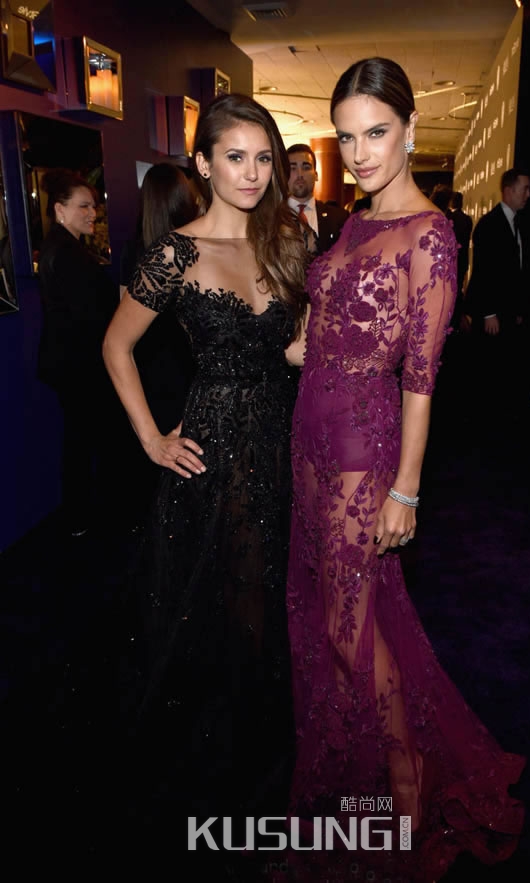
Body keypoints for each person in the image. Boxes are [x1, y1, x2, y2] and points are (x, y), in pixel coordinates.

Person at [286, 57, 525, 882]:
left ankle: (407, 775)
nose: (359, 153)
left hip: (364, 447)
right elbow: (327, 318)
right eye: (347, 137)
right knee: (332, 614)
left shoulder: (430, 234)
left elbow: (421, 375)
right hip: (308, 434)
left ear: (411, 128)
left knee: (349, 626)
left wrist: (406, 488)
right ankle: (371, 757)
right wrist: (302, 341)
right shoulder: (353, 224)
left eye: (376, 133)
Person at [102, 94, 310, 819]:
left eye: (263, 159)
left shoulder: (285, 242)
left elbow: (291, 348)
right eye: (235, 157)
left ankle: (268, 736)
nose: (252, 173)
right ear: (203, 163)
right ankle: (237, 757)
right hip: (214, 448)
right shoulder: (176, 252)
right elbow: (116, 345)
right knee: (234, 595)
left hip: (283, 439)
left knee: (279, 588)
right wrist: (151, 439)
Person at [37, 168, 120, 537]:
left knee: (81, 438)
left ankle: (81, 515)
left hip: (72, 362)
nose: (93, 213)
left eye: (94, 206)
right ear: (60, 209)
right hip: (77, 364)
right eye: (83, 206)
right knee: (84, 440)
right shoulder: (65, 251)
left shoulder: (63, 247)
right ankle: (81, 517)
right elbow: (88, 314)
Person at [119, 163, 199, 519]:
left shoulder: (135, 249)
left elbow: (123, 315)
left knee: (161, 456)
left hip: (149, 363)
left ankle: (159, 522)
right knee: (187, 455)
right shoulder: (190, 248)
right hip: (183, 364)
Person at [465, 167, 530, 415]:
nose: (528, 195)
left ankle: (500, 412)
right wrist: (489, 312)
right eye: (525, 189)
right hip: (492, 313)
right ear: (509, 190)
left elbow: (516, 270)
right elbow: (485, 272)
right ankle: (485, 415)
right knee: (489, 367)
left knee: (504, 366)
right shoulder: (490, 225)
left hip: (508, 311)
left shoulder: (518, 223)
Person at [287, 142, 349, 253]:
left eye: (306, 167)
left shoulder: (339, 219)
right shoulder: (270, 219)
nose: (300, 174)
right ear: (283, 175)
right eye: (293, 168)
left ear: (316, 175)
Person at [448, 190, 473, 327]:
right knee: (458, 289)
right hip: (463, 259)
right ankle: (457, 319)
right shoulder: (467, 219)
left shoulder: (449, 218)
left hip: (450, 260)